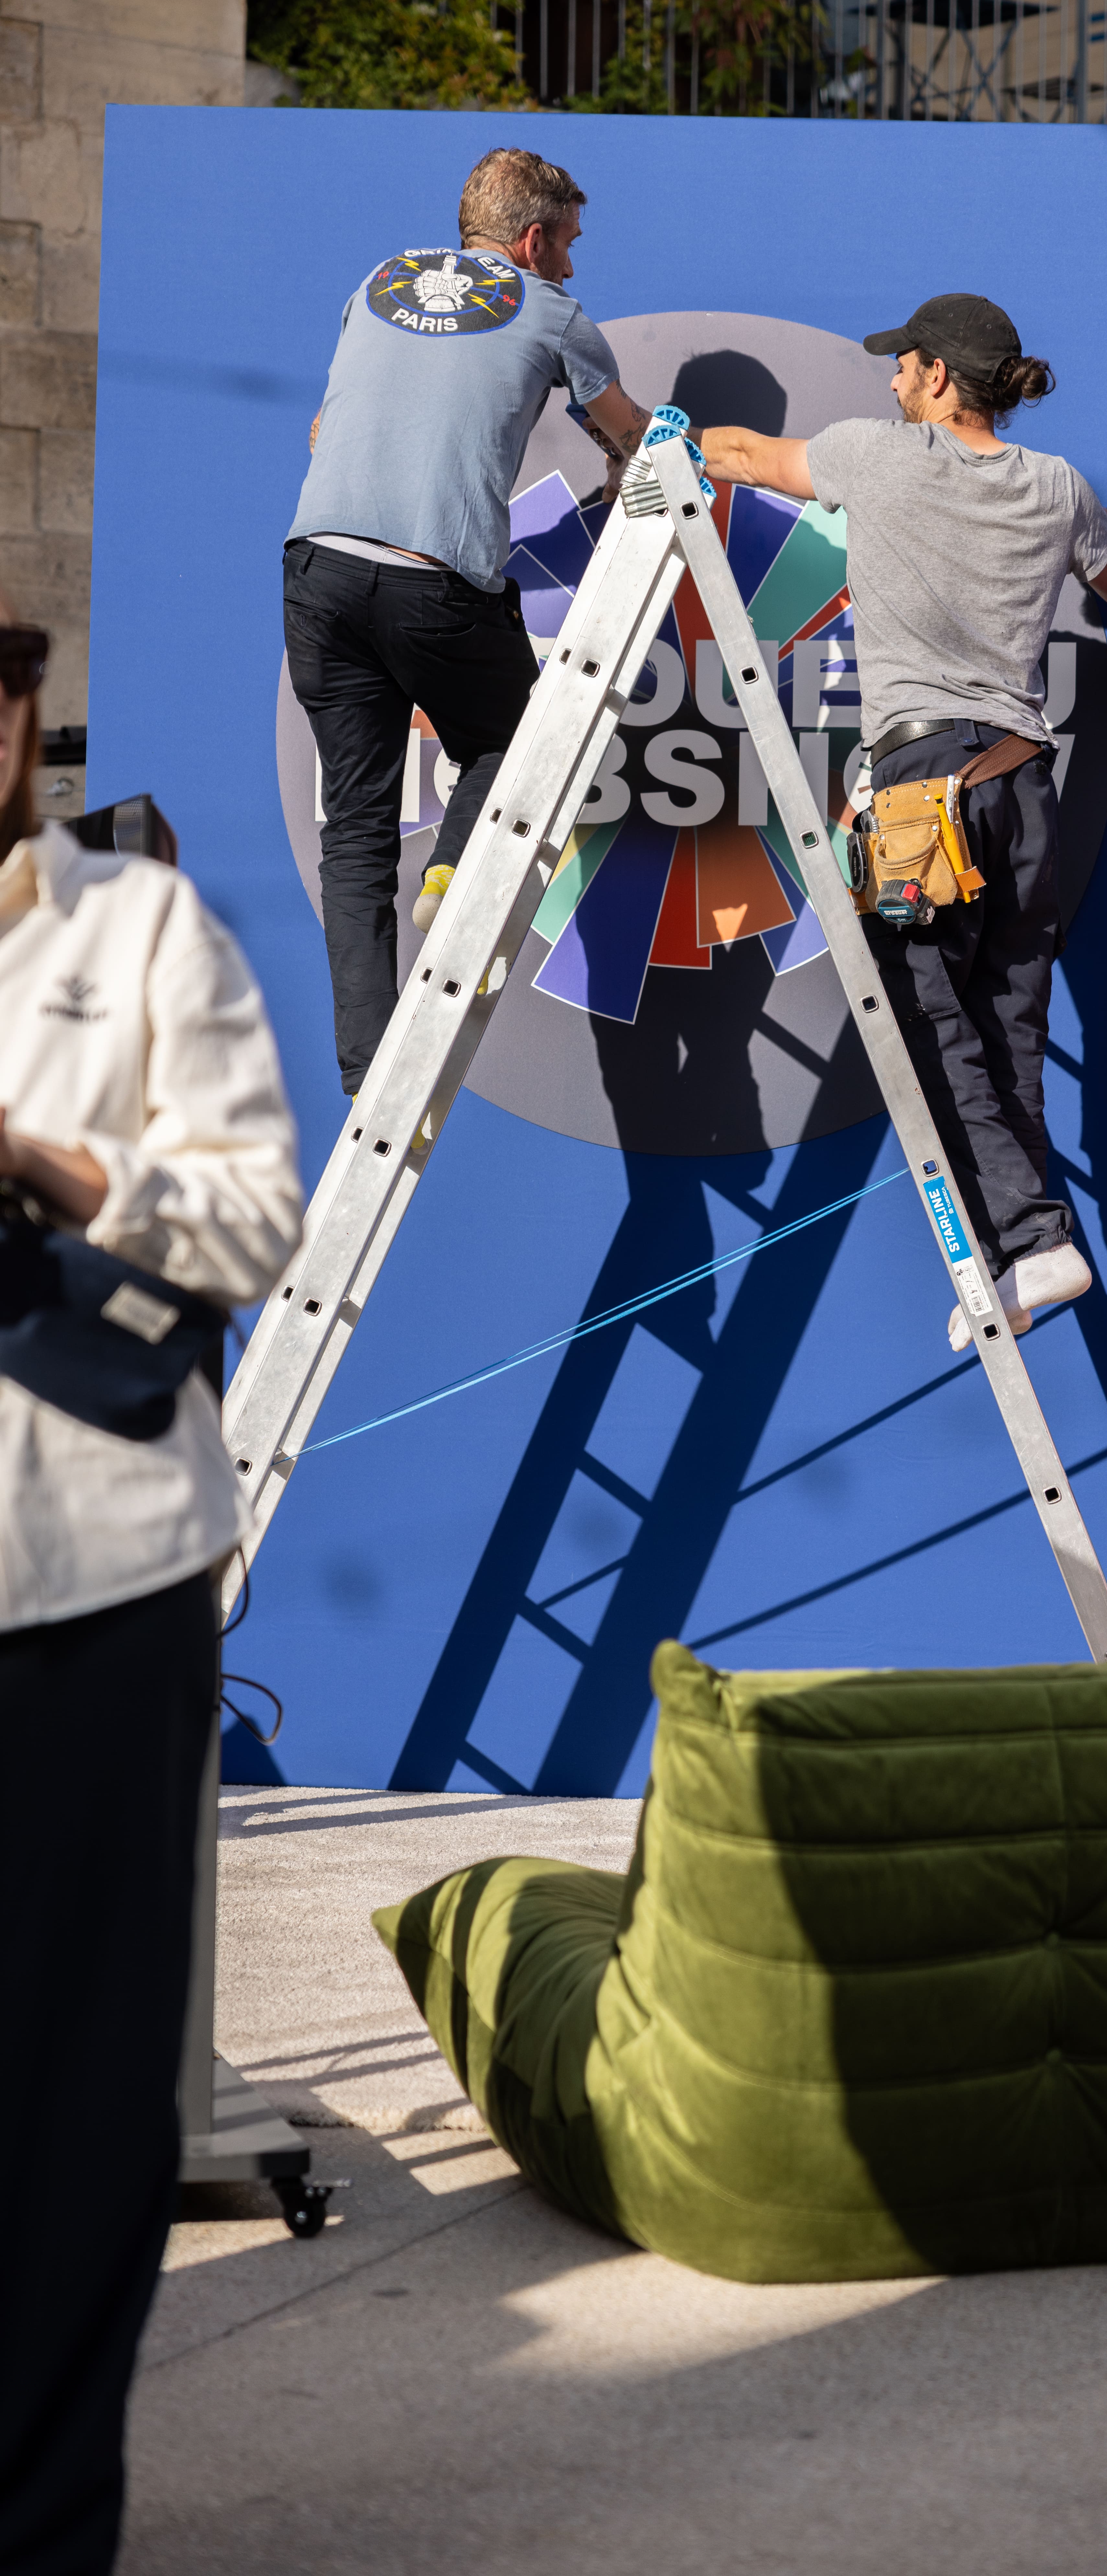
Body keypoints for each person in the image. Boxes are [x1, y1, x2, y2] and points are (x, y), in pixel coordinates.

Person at [0, 605, 303, 2574]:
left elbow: (262, 1207)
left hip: (94, 1588)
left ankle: (35, 2533)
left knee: (79, 2100)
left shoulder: (135, 931)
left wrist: (63, 1175)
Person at [697, 293, 1107, 1352]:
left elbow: (747, 457)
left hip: (919, 796)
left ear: (941, 376)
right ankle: (1024, 1254)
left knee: (931, 1030)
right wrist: (1104, 537)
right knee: (1011, 1031)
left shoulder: (875, 456)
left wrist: (661, 438)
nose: (892, 385)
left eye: (903, 368)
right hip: (1023, 788)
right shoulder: (1060, 488)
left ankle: (1032, 1239)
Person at [284, 144, 656, 1093]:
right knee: (512, 743)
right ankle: (454, 880)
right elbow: (632, 439)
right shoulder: (552, 310)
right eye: (568, 243)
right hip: (433, 581)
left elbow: (329, 429)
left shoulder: (377, 285)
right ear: (533, 239)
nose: (572, 263)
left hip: (319, 570)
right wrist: (632, 470)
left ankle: (368, 1070)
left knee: (354, 829)